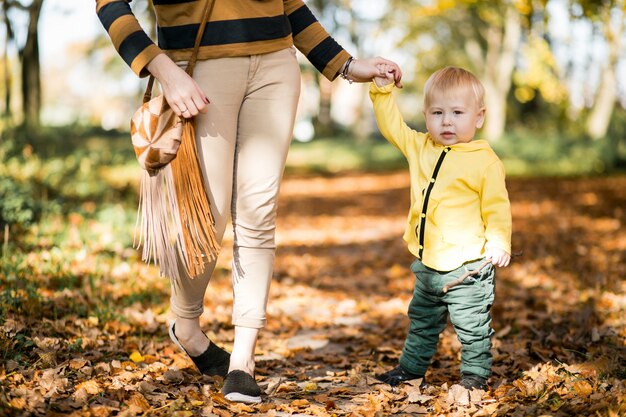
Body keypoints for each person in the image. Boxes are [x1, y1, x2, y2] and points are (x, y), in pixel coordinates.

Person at [95, 0, 403, 404]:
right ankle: (186, 324)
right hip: (199, 67)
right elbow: (108, 3)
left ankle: (243, 361)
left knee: (259, 213)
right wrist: (163, 69)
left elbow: (288, 3)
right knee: (208, 219)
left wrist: (345, 64)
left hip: (277, 62)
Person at [369, 66, 512, 391]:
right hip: (429, 264)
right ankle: (411, 371)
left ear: (478, 117)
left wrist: (499, 240)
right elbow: (392, 127)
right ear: (426, 115)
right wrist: (381, 92)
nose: (447, 121)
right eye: (437, 113)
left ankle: (475, 376)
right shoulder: (420, 147)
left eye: (457, 113)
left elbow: (497, 206)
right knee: (421, 322)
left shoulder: (484, 162)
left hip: (468, 268)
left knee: (471, 327)